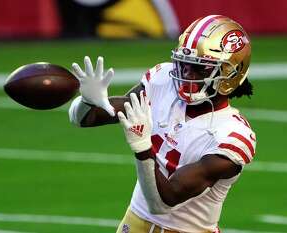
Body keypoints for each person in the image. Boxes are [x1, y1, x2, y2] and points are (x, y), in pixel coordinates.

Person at [69, 15, 256, 233]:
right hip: (134, 223)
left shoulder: (232, 136)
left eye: (200, 69)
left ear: (231, 74)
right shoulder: (163, 81)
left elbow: (161, 203)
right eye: (184, 64)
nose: (187, 74)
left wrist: (142, 148)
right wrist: (86, 101)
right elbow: (83, 119)